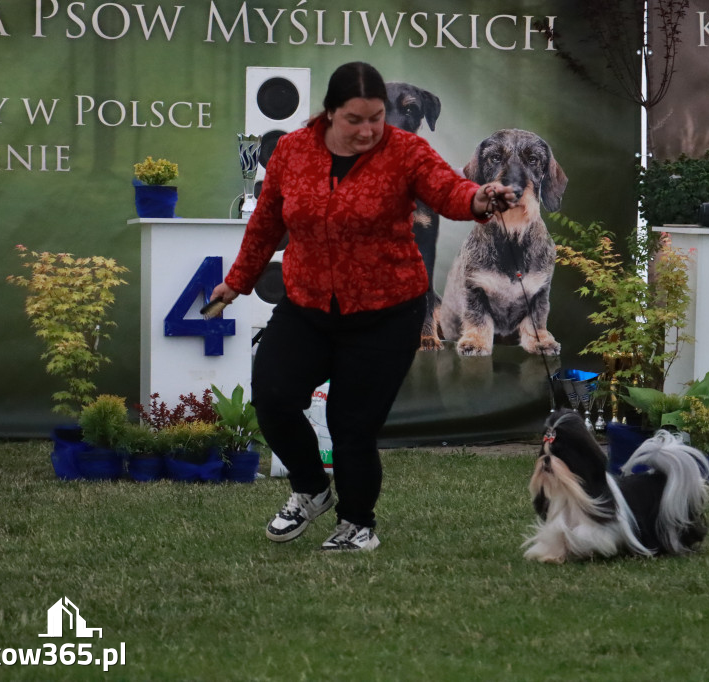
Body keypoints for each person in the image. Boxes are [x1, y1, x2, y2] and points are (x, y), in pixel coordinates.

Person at [210, 61, 517, 552]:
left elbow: (448, 191)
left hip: (385, 310)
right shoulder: (291, 151)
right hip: (307, 304)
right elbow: (267, 223)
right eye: (356, 119)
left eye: (376, 117)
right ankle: (310, 490)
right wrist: (237, 281)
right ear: (329, 114)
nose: (370, 129)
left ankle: (357, 523)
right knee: (272, 396)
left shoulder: (406, 151)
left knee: (351, 424)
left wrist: (481, 199)